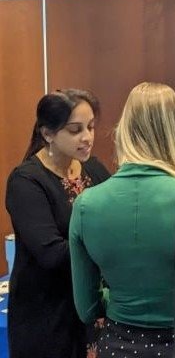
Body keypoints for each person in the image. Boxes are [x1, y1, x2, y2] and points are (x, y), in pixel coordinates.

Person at [69, 82, 175, 357]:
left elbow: (87, 308)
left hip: (116, 346)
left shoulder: (86, 204)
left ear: (124, 130)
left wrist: (122, 296)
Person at [5, 89, 110, 358]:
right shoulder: (26, 182)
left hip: (92, 310)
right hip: (47, 315)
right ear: (48, 134)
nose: (87, 137)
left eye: (90, 127)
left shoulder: (95, 170)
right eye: (75, 130)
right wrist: (110, 247)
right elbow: (51, 254)